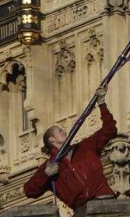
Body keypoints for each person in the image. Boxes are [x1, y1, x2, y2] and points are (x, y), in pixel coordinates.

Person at [24, 87, 118, 217]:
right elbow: (29, 191)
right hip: (83, 210)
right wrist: (46, 174)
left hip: (105, 200)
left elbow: (110, 130)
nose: (64, 132)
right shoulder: (50, 166)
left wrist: (102, 103)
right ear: (52, 140)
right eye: (60, 131)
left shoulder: (85, 147)